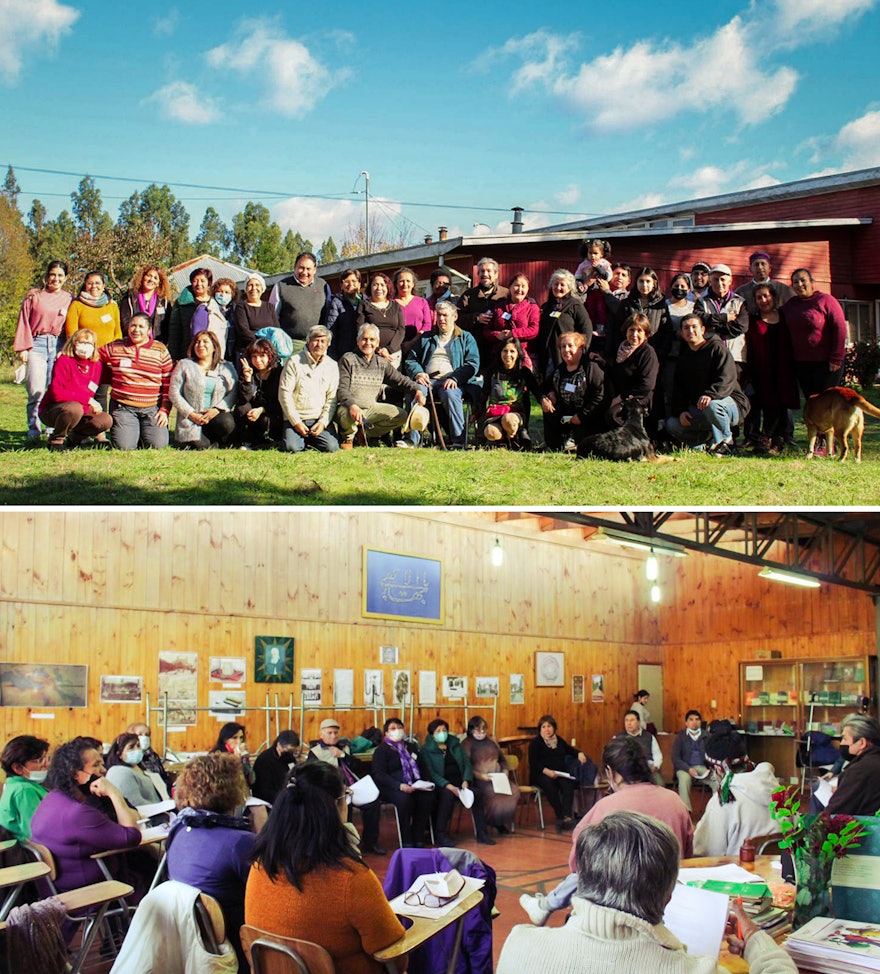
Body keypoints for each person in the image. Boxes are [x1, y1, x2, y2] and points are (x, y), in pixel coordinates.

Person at [500, 810, 797, 974]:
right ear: (668, 896)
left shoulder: (520, 946)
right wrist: (757, 940)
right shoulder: (697, 970)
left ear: (582, 879)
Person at [244, 761, 406, 974]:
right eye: (346, 797)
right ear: (336, 806)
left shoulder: (260, 866)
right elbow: (394, 954)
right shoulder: (350, 879)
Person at [519, 736, 694, 926]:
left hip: (618, 904)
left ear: (613, 773)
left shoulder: (605, 808)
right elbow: (687, 852)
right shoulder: (675, 801)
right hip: (667, 899)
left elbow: (578, 863)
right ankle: (545, 905)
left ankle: (546, 905)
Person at [166, 752, 256, 972]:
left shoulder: (178, 829)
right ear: (234, 789)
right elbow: (276, 893)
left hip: (197, 944)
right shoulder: (239, 842)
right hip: (238, 944)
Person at [29, 736, 142, 894]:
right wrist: (114, 792)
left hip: (57, 889)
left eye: (102, 763)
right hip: (87, 892)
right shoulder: (78, 813)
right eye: (96, 765)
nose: (103, 770)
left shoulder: (52, 799)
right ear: (75, 774)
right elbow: (133, 837)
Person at [666, 314, 749, 456]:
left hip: (730, 404)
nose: (690, 331)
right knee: (672, 424)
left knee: (712, 405)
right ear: (681, 332)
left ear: (703, 330)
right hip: (702, 408)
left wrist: (710, 395)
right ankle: (703, 445)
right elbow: (679, 390)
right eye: (686, 328)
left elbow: (726, 379)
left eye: (694, 327)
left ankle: (726, 445)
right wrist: (681, 411)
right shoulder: (684, 358)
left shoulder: (717, 349)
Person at [693, 721, 778, 857]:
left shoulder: (724, 801)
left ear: (718, 769)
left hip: (739, 874)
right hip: (779, 874)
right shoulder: (779, 791)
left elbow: (705, 853)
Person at [404, 301, 481, 449]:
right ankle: (413, 440)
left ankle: (458, 440)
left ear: (455, 316)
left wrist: (455, 378)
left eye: (445, 315)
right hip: (428, 380)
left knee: (450, 394)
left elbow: (472, 364)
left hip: (453, 382)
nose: (441, 319)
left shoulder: (465, 337)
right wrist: (418, 373)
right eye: (438, 315)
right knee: (416, 391)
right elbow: (411, 359)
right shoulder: (427, 337)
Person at [335, 324, 426, 448]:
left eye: (372, 340)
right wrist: (352, 405)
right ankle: (348, 438)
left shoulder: (381, 363)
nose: (368, 343)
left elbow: (400, 380)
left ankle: (364, 435)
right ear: (357, 341)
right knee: (347, 414)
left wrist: (417, 390)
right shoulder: (348, 359)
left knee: (401, 416)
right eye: (364, 339)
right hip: (348, 408)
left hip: (370, 409)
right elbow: (342, 389)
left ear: (378, 343)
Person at [14, 260, 73, 442]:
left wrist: (66, 349)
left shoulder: (69, 298)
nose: (56, 279)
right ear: (47, 275)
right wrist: (23, 348)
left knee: (54, 388)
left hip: (58, 345)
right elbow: (23, 321)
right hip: (37, 344)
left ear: (65, 278)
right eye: (53, 274)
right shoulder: (34, 295)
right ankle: (33, 427)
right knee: (36, 389)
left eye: (60, 275)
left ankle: (51, 427)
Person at [307, 718, 384, 855]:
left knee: (373, 804)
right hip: (333, 791)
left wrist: (342, 755)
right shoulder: (315, 752)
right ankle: (345, 844)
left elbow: (357, 766)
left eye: (336, 733)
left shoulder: (345, 747)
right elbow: (315, 776)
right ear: (321, 734)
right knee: (344, 806)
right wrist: (339, 787)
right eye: (329, 733)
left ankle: (370, 843)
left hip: (353, 788)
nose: (333, 736)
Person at [99, 313, 174, 450]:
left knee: (157, 446)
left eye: (141, 326)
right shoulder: (115, 347)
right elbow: (93, 356)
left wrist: (164, 409)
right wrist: (68, 353)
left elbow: (168, 382)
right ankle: (132, 433)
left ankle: (141, 433)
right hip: (124, 408)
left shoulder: (160, 350)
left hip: (152, 409)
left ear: (149, 330)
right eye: (133, 325)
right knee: (125, 447)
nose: (136, 330)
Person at [744, 284, 799, 454]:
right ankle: (765, 438)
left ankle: (779, 439)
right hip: (762, 370)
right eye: (759, 297)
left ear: (773, 297)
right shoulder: (752, 320)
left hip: (784, 367)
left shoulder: (785, 316)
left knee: (783, 402)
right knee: (768, 403)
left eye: (766, 296)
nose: (763, 300)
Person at [38, 327, 113, 451]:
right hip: (55, 409)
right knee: (74, 408)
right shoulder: (64, 361)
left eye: (89, 343)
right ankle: (56, 440)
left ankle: (75, 438)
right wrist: (88, 400)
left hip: (82, 411)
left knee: (105, 420)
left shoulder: (97, 365)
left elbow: (114, 377)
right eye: (81, 342)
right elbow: (56, 393)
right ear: (73, 343)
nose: (85, 347)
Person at [782, 268, 847, 404]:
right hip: (802, 364)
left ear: (812, 282)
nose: (799, 284)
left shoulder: (826, 300)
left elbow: (839, 328)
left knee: (824, 404)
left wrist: (836, 358)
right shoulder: (790, 305)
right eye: (795, 282)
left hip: (827, 364)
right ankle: (816, 426)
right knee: (811, 403)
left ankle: (830, 426)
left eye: (803, 280)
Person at [371, 716, 435, 847]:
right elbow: (379, 774)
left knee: (427, 798)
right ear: (386, 733)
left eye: (399, 728)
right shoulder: (381, 751)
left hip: (415, 784)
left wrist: (425, 782)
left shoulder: (411, 747)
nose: (397, 731)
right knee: (404, 800)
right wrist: (399, 785)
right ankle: (406, 839)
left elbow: (423, 766)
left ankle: (418, 834)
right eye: (393, 729)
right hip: (392, 787)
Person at [169, 331, 237, 449]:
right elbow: (174, 393)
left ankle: (219, 440)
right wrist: (190, 413)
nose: (200, 345)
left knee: (227, 423)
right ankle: (206, 442)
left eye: (205, 342)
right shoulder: (184, 364)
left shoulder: (226, 366)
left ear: (214, 347)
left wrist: (216, 409)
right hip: (191, 418)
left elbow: (234, 391)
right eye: (197, 342)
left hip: (214, 417)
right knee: (201, 446)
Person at [279, 324, 340, 453]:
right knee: (292, 448)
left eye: (323, 341)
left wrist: (323, 422)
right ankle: (299, 438)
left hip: (318, 419)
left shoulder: (332, 365)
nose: (319, 344)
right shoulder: (294, 362)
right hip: (296, 419)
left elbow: (332, 398)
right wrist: (296, 422)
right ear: (308, 341)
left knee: (332, 448)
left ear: (328, 344)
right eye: (315, 340)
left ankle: (312, 439)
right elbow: (284, 394)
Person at [540, 331, 604, 452]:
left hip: (587, 416)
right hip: (565, 415)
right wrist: (547, 396)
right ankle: (555, 442)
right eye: (563, 346)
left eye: (570, 346)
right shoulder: (560, 369)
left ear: (580, 348)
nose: (566, 350)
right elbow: (545, 387)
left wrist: (582, 415)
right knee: (548, 408)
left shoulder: (591, 368)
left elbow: (600, 396)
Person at [528, 714, 589, 832]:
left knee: (568, 784)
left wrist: (579, 753)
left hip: (559, 773)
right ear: (540, 729)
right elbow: (533, 763)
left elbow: (570, 750)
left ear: (554, 728)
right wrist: (547, 772)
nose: (547, 729)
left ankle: (567, 816)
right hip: (541, 774)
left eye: (549, 726)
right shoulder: (535, 743)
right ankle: (559, 815)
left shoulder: (559, 740)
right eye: (544, 727)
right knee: (549, 785)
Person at [419, 718, 475, 846]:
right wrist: (448, 785)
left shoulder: (455, 745)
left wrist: (466, 780)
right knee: (446, 795)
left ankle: (482, 831)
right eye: (438, 731)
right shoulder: (426, 750)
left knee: (479, 793)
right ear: (432, 734)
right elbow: (431, 772)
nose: (442, 733)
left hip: (460, 782)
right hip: (441, 784)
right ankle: (441, 833)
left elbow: (467, 764)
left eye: (444, 730)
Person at [461, 715, 519, 839]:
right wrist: (481, 776)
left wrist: (505, 771)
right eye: (478, 729)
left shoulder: (492, 741)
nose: (481, 732)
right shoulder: (467, 744)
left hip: (498, 778)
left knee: (514, 792)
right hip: (480, 779)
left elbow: (502, 760)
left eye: (484, 729)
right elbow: (467, 765)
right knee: (492, 795)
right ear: (471, 730)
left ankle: (500, 821)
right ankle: (491, 822)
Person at [479, 337, 541, 449]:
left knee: (508, 420)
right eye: (505, 351)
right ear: (500, 352)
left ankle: (514, 436)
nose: (508, 354)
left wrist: (544, 400)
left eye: (512, 351)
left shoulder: (524, 372)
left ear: (518, 354)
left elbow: (536, 391)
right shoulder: (492, 371)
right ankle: (503, 440)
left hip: (515, 415)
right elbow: (484, 393)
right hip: (495, 414)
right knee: (490, 432)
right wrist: (476, 413)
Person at [601, 265, 671, 363]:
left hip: (652, 357)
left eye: (648, 281)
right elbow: (616, 329)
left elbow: (667, 332)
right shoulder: (626, 304)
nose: (644, 285)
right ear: (636, 283)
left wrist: (661, 353)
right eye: (641, 281)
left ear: (654, 283)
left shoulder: (661, 306)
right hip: (627, 357)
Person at [271, 251, 332, 355]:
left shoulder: (323, 286)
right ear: (295, 267)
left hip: (317, 344)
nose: (304, 272)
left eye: (308, 269)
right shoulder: (281, 286)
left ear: (315, 269)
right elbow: (272, 317)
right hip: (290, 345)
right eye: (301, 268)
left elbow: (329, 314)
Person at [605, 315, 660, 431]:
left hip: (639, 398)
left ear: (646, 334)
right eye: (631, 330)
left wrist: (621, 398)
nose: (634, 335)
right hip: (620, 396)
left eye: (639, 331)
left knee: (614, 415)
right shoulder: (621, 350)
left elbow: (646, 385)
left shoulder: (647, 353)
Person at [694, 264, 749, 378]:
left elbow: (741, 327)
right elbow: (699, 321)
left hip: (735, 356)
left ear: (730, 281)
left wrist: (712, 326)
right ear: (710, 281)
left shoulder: (740, 302)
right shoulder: (702, 302)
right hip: (710, 355)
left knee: (735, 394)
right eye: (715, 279)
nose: (719, 283)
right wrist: (724, 318)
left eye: (723, 279)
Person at [537, 269, 592, 378]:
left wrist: (582, 352)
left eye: (562, 285)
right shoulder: (546, 307)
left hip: (567, 355)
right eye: (555, 284)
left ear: (570, 287)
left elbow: (587, 330)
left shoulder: (575, 306)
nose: (558, 287)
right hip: (546, 356)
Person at [456, 257, 510, 369]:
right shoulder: (469, 295)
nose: (485, 274)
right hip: (475, 350)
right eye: (482, 271)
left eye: (489, 271)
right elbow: (457, 318)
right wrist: (476, 318)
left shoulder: (506, 294)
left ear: (496, 274)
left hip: (500, 350)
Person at [166, 266, 228, 362]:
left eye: (202, 281)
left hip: (210, 356)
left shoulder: (216, 305)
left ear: (209, 284)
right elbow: (174, 331)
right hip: (187, 353)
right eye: (195, 281)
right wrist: (173, 356)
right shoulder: (182, 303)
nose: (199, 284)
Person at [825, 714, 880, 816]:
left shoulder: (859, 770)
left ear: (862, 743)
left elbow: (834, 812)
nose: (841, 744)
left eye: (845, 739)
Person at [235, 338, 285, 448]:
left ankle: (269, 441)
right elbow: (244, 398)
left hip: (273, 413)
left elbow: (282, 401)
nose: (258, 360)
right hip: (252, 413)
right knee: (242, 408)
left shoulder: (279, 373)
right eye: (254, 356)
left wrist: (262, 410)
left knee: (265, 420)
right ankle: (247, 441)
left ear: (270, 356)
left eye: (262, 356)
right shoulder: (248, 371)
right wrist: (248, 379)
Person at [484, 273, 540, 369]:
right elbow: (486, 331)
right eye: (517, 285)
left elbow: (534, 330)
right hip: (500, 355)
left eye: (523, 286)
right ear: (510, 287)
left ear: (528, 289)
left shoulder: (532, 308)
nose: (519, 289)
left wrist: (512, 333)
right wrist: (497, 335)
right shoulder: (499, 307)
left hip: (523, 355)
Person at [0, 734, 49, 840]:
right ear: (18, 768)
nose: (47, 764)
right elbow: (37, 834)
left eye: (46, 758)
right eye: (39, 760)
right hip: (35, 852)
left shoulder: (13, 784)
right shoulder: (24, 790)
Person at [357, 272, 407, 370]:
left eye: (382, 285)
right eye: (375, 284)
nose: (379, 288)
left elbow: (401, 330)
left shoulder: (396, 306)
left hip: (393, 355)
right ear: (370, 288)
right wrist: (378, 350)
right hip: (371, 352)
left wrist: (389, 349)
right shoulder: (364, 305)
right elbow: (360, 330)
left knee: (393, 384)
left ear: (388, 288)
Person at [671, 710, 718, 812]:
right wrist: (688, 769)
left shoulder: (707, 736)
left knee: (717, 781)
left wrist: (712, 768)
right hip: (684, 767)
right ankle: (686, 811)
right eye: (691, 720)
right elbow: (675, 758)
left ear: (700, 722)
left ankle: (717, 810)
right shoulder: (680, 737)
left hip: (702, 767)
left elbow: (713, 754)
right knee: (684, 779)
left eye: (697, 719)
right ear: (686, 723)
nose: (694, 722)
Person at [104, 732, 164, 809]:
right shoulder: (119, 772)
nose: (137, 750)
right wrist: (161, 809)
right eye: (131, 747)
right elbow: (135, 803)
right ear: (119, 754)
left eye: (138, 746)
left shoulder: (141, 769)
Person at [119, 264, 171, 341]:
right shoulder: (131, 297)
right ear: (142, 278)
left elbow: (167, 325)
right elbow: (125, 321)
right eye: (149, 276)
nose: (151, 279)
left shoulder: (164, 301)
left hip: (155, 344)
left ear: (158, 283)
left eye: (155, 278)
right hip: (133, 342)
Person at [735, 251, 795, 317]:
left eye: (763, 264)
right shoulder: (741, 292)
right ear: (750, 269)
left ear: (769, 268)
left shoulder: (784, 290)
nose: (760, 267)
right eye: (756, 264)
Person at [233, 272, 279, 358]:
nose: (254, 288)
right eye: (250, 285)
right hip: (248, 351)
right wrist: (261, 345)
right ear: (246, 289)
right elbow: (243, 331)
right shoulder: (241, 307)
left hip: (267, 353)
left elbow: (276, 330)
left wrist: (269, 348)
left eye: (257, 285)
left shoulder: (269, 307)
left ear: (262, 288)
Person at [253, 730, 301, 803]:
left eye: (293, 751)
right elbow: (263, 789)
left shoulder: (289, 757)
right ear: (279, 745)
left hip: (285, 794)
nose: (291, 753)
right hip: (268, 799)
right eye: (288, 750)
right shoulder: (265, 759)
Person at [619, 710, 664, 786]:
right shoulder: (618, 738)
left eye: (632, 720)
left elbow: (658, 756)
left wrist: (655, 767)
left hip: (648, 770)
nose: (629, 723)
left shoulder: (649, 737)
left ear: (639, 722)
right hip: (627, 772)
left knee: (660, 784)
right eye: (626, 721)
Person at [393, 266, 432, 353]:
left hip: (418, 346)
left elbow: (427, 325)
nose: (405, 284)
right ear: (396, 284)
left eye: (408, 281)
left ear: (413, 284)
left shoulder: (422, 302)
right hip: (395, 348)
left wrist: (412, 342)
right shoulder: (390, 303)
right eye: (401, 281)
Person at [126, 721, 173, 792]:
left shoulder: (153, 755)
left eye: (147, 734)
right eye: (140, 734)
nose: (144, 737)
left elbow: (163, 776)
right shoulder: (131, 757)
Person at [327, 268, 363, 360]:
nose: (350, 284)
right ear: (341, 285)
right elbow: (331, 331)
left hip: (363, 352)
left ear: (359, 284)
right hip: (343, 353)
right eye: (347, 281)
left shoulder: (366, 302)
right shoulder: (336, 302)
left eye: (354, 281)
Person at [212, 723, 255, 788]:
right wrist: (236, 759)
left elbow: (251, 781)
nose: (239, 742)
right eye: (235, 738)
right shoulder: (216, 756)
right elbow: (226, 781)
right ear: (225, 740)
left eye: (241, 738)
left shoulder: (242, 755)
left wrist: (245, 760)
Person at [212, 276, 238, 359]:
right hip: (216, 352)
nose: (223, 295)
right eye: (219, 291)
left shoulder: (236, 311)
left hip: (233, 352)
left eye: (227, 292)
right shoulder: (209, 309)